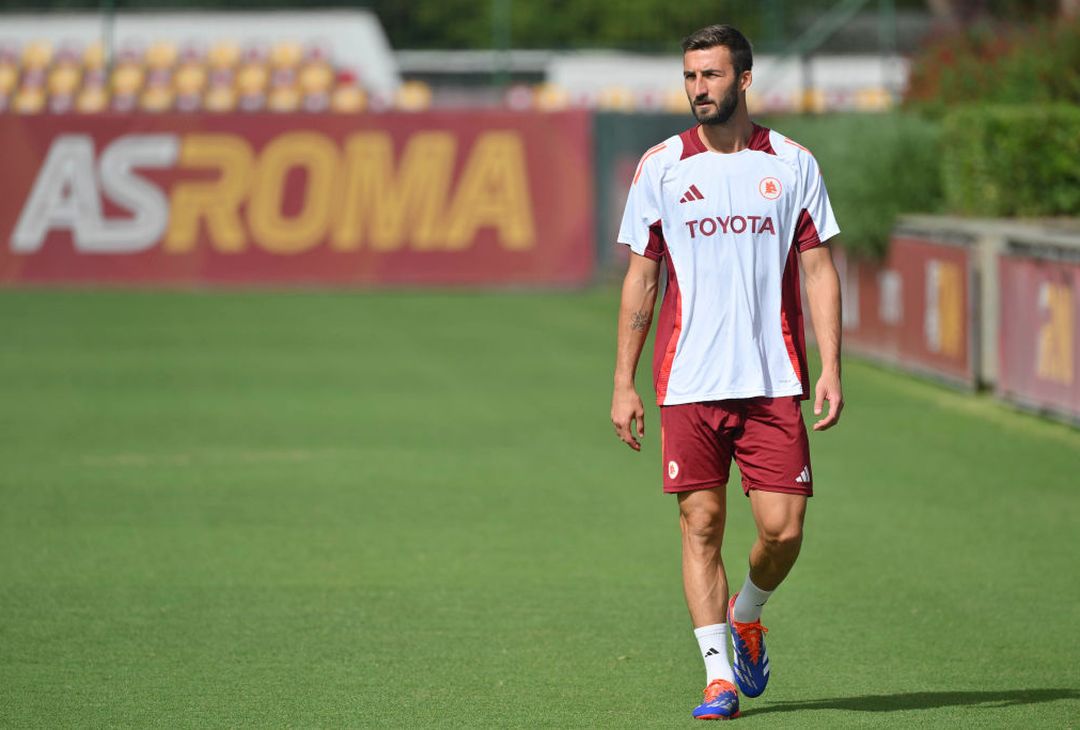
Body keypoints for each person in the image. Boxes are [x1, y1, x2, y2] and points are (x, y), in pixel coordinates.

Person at [609, 24, 844, 721]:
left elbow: (819, 269)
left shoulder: (793, 162)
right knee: (701, 524)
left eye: (710, 75)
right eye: (689, 76)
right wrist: (623, 380)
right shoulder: (661, 167)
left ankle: (748, 613)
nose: (698, 89)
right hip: (688, 382)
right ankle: (718, 678)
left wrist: (832, 364)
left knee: (783, 530)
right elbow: (641, 281)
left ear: (743, 79)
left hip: (774, 380)